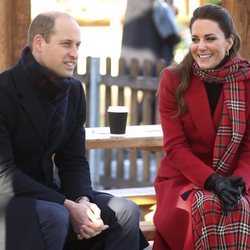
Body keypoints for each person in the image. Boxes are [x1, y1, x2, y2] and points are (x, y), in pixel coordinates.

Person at [0, 11, 149, 250]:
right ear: (39, 43)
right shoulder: (4, 90)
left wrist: (83, 201)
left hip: (51, 194)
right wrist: (68, 205)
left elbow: (74, 160)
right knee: (56, 216)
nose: (75, 54)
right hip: (9, 198)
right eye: (66, 44)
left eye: (77, 45)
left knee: (125, 212)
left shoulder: (74, 92)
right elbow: (4, 175)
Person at [153, 4, 250, 250]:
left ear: (228, 42)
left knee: (241, 207)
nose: (201, 46)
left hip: (235, 178)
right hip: (184, 178)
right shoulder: (173, 80)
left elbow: (249, 148)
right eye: (195, 39)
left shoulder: (247, 81)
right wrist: (213, 181)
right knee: (205, 205)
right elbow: (175, 148)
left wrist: (239, 184)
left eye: (210, 38)